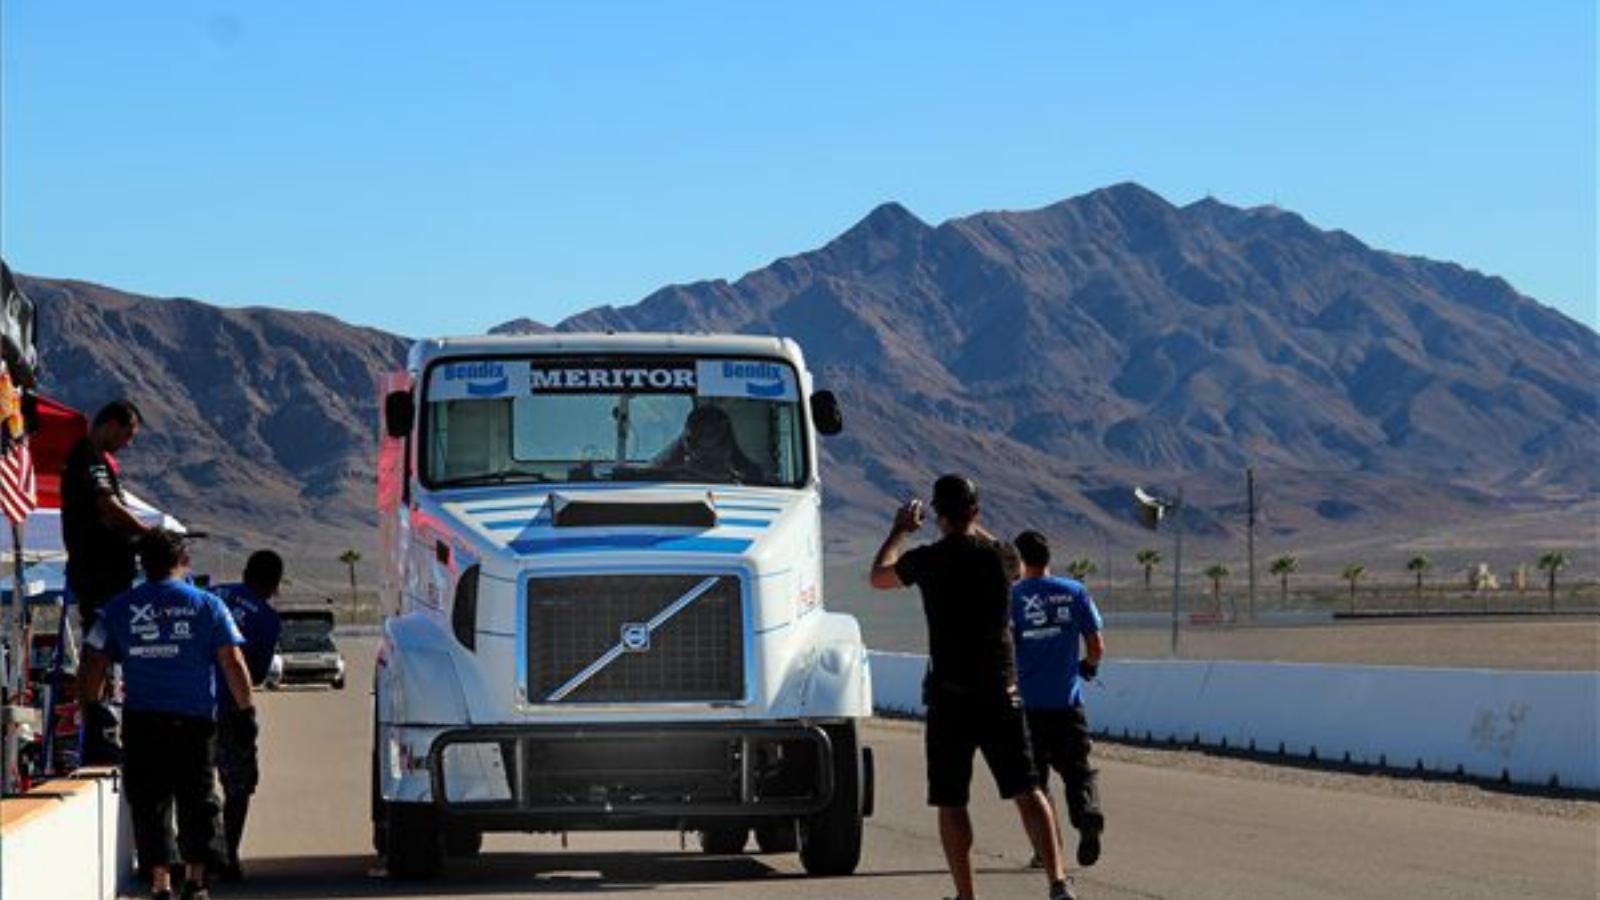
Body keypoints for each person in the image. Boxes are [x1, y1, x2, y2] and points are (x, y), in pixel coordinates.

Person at [868, 474, 1075, 900]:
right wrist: (972, 524)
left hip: (950, 695)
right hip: (1001, 689)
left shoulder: (927, 559)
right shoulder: (1000, 557)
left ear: (938, 516)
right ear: (975, 512)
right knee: (1027, 788)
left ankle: (967, 897)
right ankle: (1057, 883)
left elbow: (878, 577)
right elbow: (1013, 557)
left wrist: (900, 530)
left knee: (951, 799)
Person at [79, 530, 256, 900]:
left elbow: (94, 660)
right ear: (183, 561)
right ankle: (196, 880)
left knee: (150, 801)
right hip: (194, 720)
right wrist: (245, 710)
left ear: (143, 564)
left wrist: (92, 709)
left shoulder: (118, 607)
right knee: (199, 799)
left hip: (143, 721)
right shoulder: (208, 605)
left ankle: (160, 883)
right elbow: (232, 660)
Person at [62, 399, 151, 764]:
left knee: (107, 648)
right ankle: (94, 723)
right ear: (112, 423)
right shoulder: (89, 457)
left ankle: (101, 718)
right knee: (96, 648)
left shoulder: (98, 460)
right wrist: (147, 535)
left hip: (110, 572)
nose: (126, 444)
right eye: (127, 435)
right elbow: (107, 508)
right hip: (96, 571)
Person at [1011, 530, 1106, 870]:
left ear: (1020, 561)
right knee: (1078, 771)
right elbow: (1096, 646)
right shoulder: (1074, 592)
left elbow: (1005, 649)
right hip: (1067, 705)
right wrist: (1088, 667)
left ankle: (1046, 851)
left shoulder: (1014, 597)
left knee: (1034, 784)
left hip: (1027, 709)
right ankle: (1088, 814)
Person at [213, 550, 284, 883]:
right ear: (274, 586)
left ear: (244, 572)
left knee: (189, 783)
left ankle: (194, 853)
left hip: (185, 704)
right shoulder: (267, 618)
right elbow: (253, 674)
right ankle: (228, 855)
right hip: (230, 709)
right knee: (237, 786)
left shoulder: (208, 596)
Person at [651, 404, 767, 484]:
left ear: (728, 441)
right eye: (696, 437)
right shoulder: (669, 475)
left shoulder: (750, 476)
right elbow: (649, 473)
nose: (704, 445)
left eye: (711, 435)